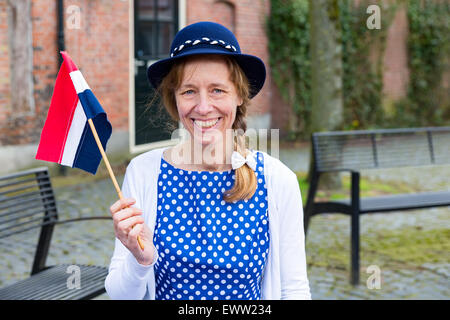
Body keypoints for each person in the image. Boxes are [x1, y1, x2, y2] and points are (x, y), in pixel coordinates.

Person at [105, 21, 311, 300]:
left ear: (239, 95)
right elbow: (120, 296)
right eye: (189, 91)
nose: (203, 107)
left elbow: (294, 290)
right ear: (174, 98)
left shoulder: (277, 180)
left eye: (217, 90)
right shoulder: (144, 173)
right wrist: (140, 259)